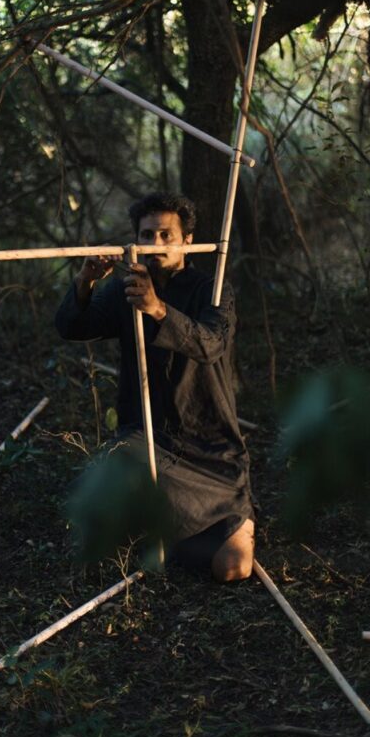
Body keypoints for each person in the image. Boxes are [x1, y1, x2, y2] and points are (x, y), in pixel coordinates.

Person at [55, 192, 255, 582]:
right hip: (146, 442)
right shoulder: (127, 288)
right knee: (102, 489)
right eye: (147, 235)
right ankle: (156, 528)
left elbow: (208, 344)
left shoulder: (212, 289)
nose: (156, 244)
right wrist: (85, 282)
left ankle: (226, 523)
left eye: (167, 235)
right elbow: (72, 327)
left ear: (188, 239)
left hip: (210, 451)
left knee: (233, 568)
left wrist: (157, 308)